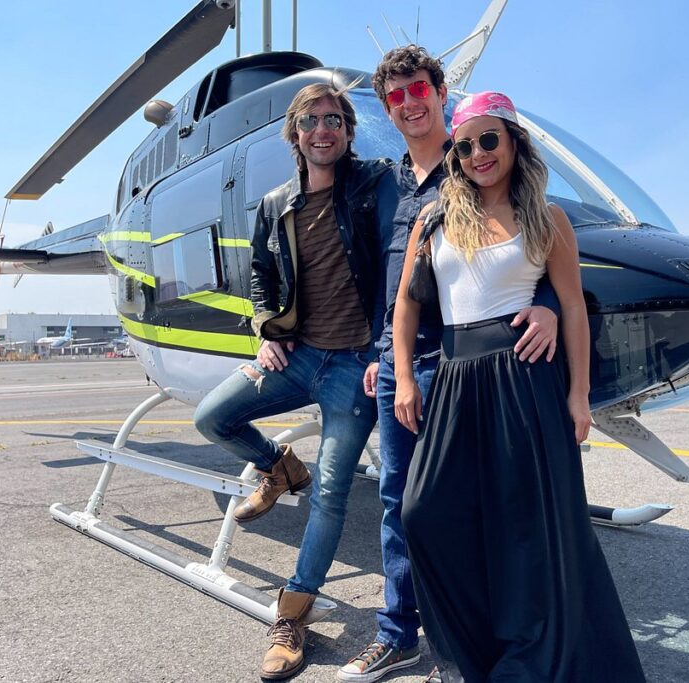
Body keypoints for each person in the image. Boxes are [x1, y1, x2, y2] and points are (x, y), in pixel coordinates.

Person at [393, 92, 646, 682]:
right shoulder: (434, 217)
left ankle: (530, 658)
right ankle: (469, 650)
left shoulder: (547, 217)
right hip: (455, 379)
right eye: (466, 143)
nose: (479, 153)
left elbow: (575, 310)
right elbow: (407, 305)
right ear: (453, 152)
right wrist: (406, 375)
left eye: (490, 140)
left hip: (522, 378)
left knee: (530, 526)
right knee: (424, 513)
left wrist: (578, 393)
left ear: (511, 143)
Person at [339, 48, 560, 683]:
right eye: (396, 97)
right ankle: (398, 633)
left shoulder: (475, 163)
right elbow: (392, 280)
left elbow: (531, 245)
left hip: (467, 367)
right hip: (404, 367)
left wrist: (545, 306)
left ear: (440, 93)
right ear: (386, 109)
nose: (409, 104)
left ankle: (459, 648)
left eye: (419, 90)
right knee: (400, 503)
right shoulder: (387, 185)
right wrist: (388, 354)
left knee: (464, 508)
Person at [192, 82, 388, 681]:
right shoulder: (276, 203)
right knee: (211, 417)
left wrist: (387, 346)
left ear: (348, 132)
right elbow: (259, 273)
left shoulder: (374, 182)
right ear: (295, 133)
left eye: (334, 119)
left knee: (331, 493)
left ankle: (292, 612)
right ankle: (279, 464)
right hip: (299, 354)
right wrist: (265, 328)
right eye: (311, 121)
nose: (323, 130)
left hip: (356, 365)